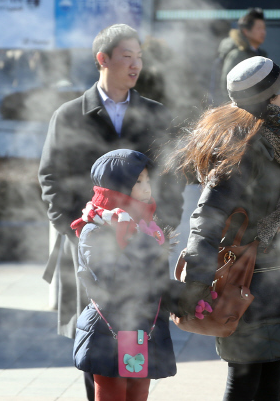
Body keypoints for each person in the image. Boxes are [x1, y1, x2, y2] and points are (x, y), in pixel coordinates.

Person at [38, 23, 184, 400]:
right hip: (93, 244)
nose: (135, 65)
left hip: (145, 246)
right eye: (126, 57)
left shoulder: (155, 114)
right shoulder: (70, 114)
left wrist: (163, 227)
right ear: (102, 59)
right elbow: (51, 177)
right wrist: (79, 229)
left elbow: (172, 176)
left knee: (138, 334)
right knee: (98, 337)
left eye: (139, 57)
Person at [172, 56, 280, 400]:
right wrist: (196, 281)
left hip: (273, 280)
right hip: (246, 281)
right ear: (269, 100)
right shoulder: (243, 146)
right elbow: (206, 216)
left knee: (269, 382)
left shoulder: (279, 140)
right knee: (244, 383)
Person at [72, 149, 184, 401]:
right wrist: (140, 242)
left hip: (141, 328)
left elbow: (153, 281)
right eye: (138, 181)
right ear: (117, 188)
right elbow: (113, 281)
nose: (147, 188)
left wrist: (182, 296)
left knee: (138, 395)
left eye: (148, 180)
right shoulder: (95, 229)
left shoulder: (147, 226)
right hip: (109, 330)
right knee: (112, 396)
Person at [212, 7, 267, 105]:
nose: (263, 32)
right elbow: (228, 86)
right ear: (246, 31)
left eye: (264, 28)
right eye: (259, 28)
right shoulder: (237, 55)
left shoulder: (260, 54)